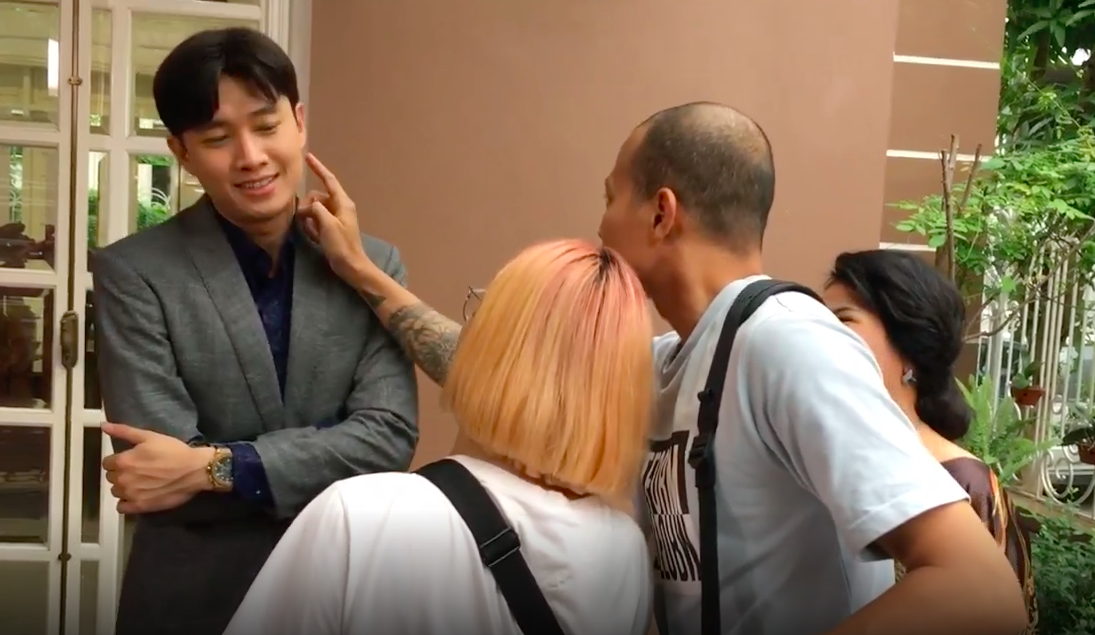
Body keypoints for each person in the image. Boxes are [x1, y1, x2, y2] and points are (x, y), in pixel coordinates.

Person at [296, 101, 1028, 635]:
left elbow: (977, 589)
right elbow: (496, 371)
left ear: (660, 213)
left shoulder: (790, 344)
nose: (599, 224)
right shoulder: (668, 364)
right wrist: (361, 270)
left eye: (609, 197)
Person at [92, 28, 419, 635]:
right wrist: (321, 451)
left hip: (345, 589)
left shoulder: (372, 266)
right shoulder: (134, 272)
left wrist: (214, 467)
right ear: (182, 152)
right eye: (218, 138)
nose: (251, 157)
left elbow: (388, 440)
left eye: (267, 126)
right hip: (195, 600)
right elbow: (154, 466)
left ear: (299, 122)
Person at [222, 236, 655, 635]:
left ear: (489, 346)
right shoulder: (626, 553)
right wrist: (359, 267)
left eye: (479, 313)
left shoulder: (361, 518)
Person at [823, 248, 1038, 632]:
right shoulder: (819, 457)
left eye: (843, 320)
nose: (818, 339)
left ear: (908, 350)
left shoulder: (967, 484)